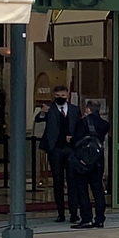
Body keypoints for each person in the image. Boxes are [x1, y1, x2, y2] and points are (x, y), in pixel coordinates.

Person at [69, 101, 109, 229]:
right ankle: (100, 219)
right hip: (97, 159)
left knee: (82, 189)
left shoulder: (82, 122)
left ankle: (86, 218)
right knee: (97, 189)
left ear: (87, 109)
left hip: (83, 160)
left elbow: (76, 140)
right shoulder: (105, 124)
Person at [41, 86, 78, 224]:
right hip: (55, 149)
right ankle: (60, 213)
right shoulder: (49, 108)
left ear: (67, 95)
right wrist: (43, 113)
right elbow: (39, 119)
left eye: (62, 95)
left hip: (70, 149)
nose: (60, 97)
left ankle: (74, 213)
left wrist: (74, 139)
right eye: (57, 95)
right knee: (58, 181)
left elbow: (78, 125)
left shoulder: (74, 109)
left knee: (72, 181)